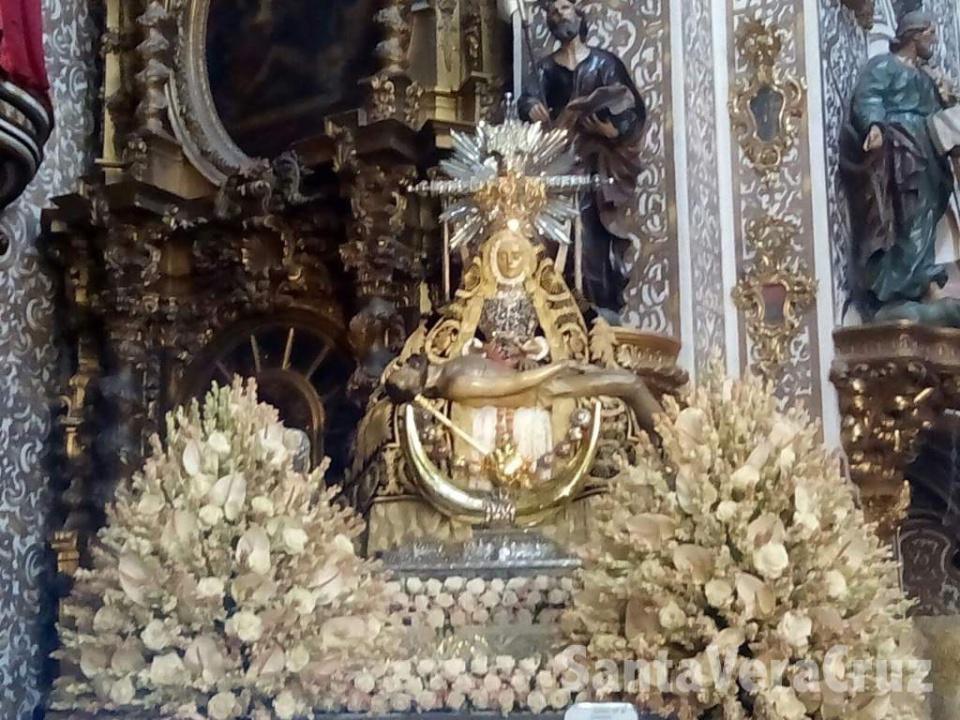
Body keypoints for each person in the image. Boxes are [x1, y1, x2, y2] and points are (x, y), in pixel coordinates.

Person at [518, 0, 646, 320]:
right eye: (553, 13)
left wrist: (611, 129)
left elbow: (632, 110)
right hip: (560, 170)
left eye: (564, 8)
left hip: (596, 169)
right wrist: (531, 106)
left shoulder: (604, 64)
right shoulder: (545, 68)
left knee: (593, 239)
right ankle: (568, 303)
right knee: (563, 240)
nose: (560, 16)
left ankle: (598, 307)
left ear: (578, 14)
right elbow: (528, 99)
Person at [841, 11, 960, 326]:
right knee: (906, 216)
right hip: (901, 152)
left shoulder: (924, 78)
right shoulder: (884, 66)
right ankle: (896, 289)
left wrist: (947, 99)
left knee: (924, 217)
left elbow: (941, 116)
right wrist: (875, 125)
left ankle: (923, 284)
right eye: (929, 34)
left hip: (928, 155)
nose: (933, 41)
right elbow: (868, 97)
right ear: (913, 35)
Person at [385, 353, 660, 436]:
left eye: (398, 368)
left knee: (630, 380)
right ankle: (669, 444)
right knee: (629, 383)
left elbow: (499, 369)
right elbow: (516, 383)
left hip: (545, 377)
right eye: (402, 376)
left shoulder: (446, 367)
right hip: (544, 390)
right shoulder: (455, 384)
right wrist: (559, 366)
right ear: (415, 390)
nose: (403, 367)